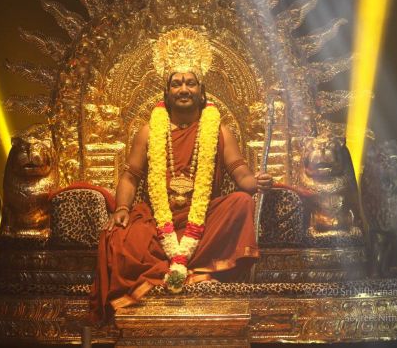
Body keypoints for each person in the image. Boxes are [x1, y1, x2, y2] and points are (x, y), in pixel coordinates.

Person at [89, 29, 273, 323]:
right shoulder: (149, 131)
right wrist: (121, 208)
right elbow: (130, 177)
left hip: (204, 220)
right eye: (176, 83)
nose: (184, 89)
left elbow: (240, 172)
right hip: (157, 219)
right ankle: (182, 269)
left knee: (241, 203)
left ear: (201, 91)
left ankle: (191, 269)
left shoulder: (219, 131)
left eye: (190, 83)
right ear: (167, 92)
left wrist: (256, 182)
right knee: (119, 236)